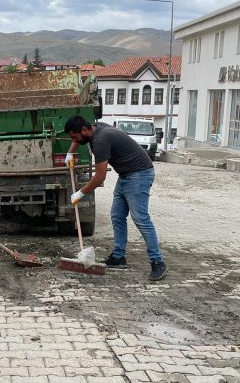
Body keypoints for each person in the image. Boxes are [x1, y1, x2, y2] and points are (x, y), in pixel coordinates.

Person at [64, 115, 167, 281]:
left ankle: (158, 262)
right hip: (126, 175)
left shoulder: (101, 140)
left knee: (141, 218)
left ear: (84, 130)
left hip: (140, 174)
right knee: (117, 216)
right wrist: (70, 152)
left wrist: (81, 193)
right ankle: (118, 257)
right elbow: (79, 139)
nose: (74, 140)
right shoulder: (94, 128)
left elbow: (100, 176)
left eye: (74, 137)